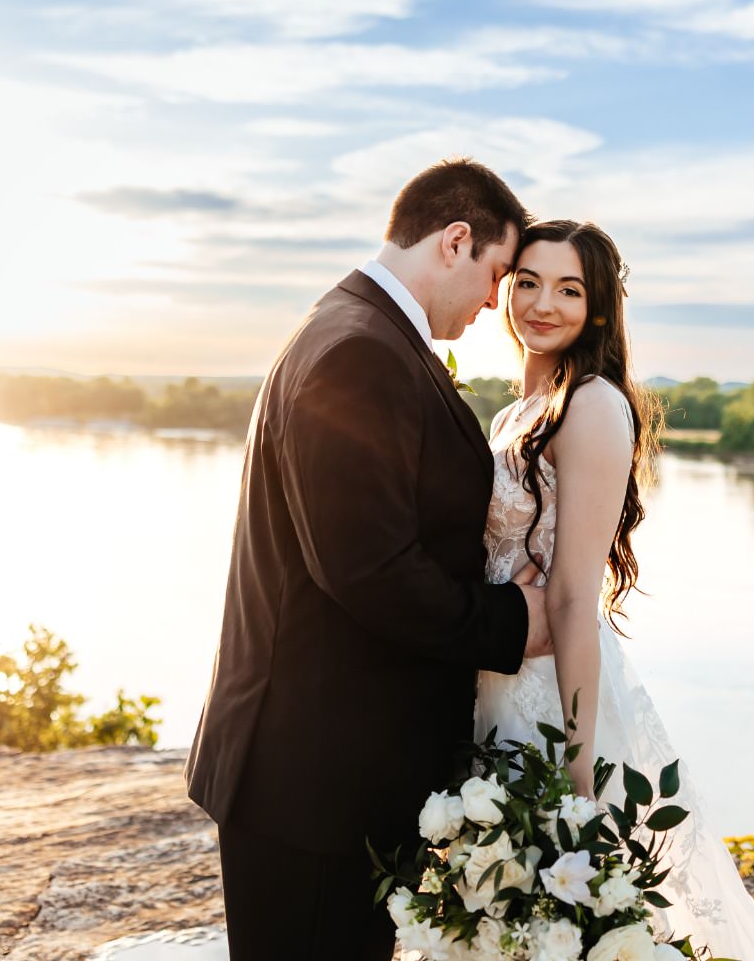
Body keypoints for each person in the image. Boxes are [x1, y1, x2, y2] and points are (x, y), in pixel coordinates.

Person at [185, 158, 554, 960]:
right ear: (455, 242)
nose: (497, 303)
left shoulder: (358, 330)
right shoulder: (359, 352)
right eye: (496, 275)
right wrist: (509, 623)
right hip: (315, 787)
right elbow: (369, 570)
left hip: (329, 777)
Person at [476, 219, 754, 960]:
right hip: (494, 677)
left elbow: (571, 598)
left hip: (557, 692)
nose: (541, 304)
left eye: (568, 289)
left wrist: (579, 767)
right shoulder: (511, 414)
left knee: (581, 912)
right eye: (527, 281)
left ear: (598, 308)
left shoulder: (592, 406)